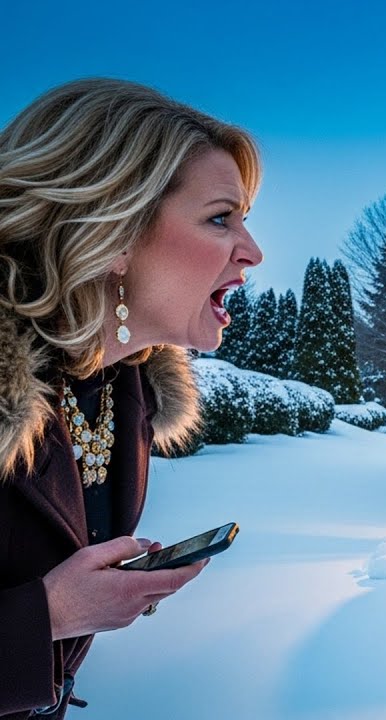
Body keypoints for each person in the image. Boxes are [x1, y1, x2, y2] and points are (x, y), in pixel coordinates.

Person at [0, 79, 263, 718]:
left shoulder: (125, 388)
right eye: (220, 217)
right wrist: (48, 615)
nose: (252, 252)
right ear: (114, 231)